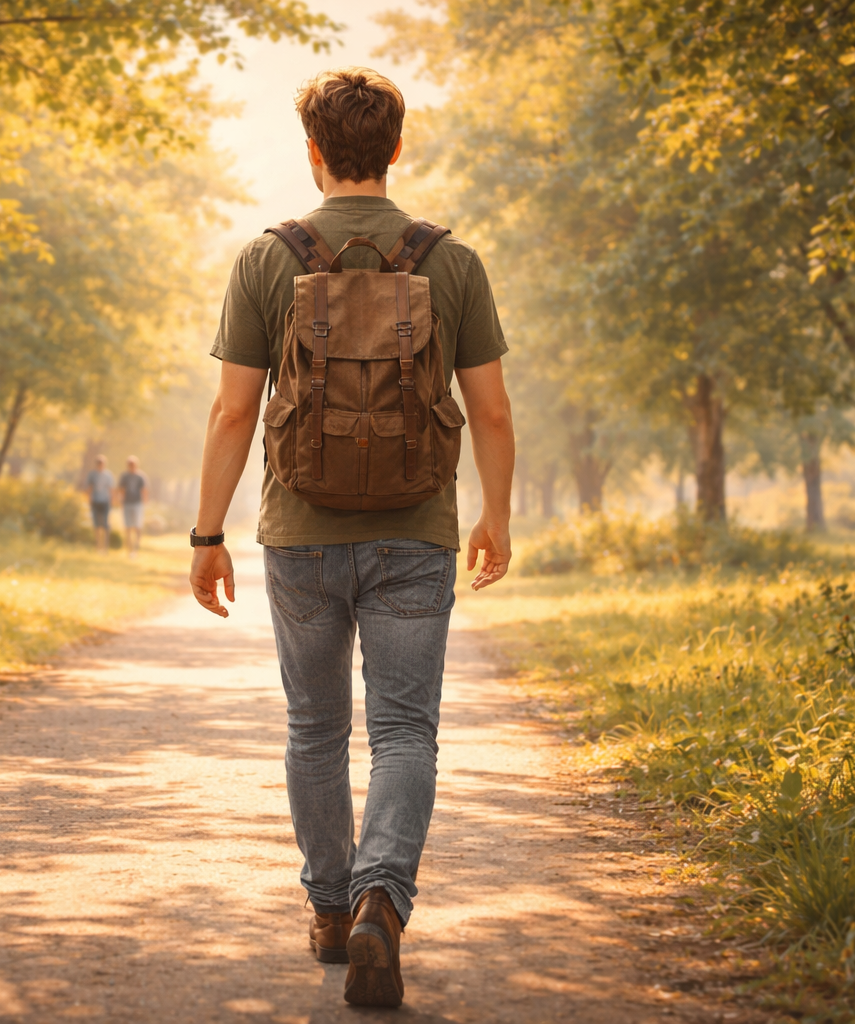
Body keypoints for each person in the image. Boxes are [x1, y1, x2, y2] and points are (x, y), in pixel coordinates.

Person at [187, 67, 514, 1009]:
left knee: (315, 726)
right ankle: (383, 900)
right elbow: (489, 411)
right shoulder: (450, 261)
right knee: (406, 728)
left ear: (315, 153)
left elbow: (232, 410)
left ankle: (330, 910)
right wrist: (494, 512)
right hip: (416, 530)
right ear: (397, 150)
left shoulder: (267, 258)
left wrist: (208, 532)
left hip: (301, 534)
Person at [117, 455, 148, 557]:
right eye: (130, 464)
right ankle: (129, 550)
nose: (131, 466)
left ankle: (136, 548)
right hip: (127, 504)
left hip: (137, 504)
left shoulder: (140, 476)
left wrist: (144, 503)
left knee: (137, 527)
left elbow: (144, 490)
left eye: (133, 464)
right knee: (128, 527)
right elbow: (121, 489)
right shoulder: (124, 476)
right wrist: (120, 500)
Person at [86, 455, 115, 553]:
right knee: (97, 525)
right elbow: (89, 489)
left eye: (102, 464)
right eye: (99, 463)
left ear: (105, 464)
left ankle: (105, 547)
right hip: (95, 501)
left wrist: (112, 501)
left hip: (105, 502)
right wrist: (89, 500)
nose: (100, 465)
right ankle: (98, 547)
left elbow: (111, 489)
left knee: (105, 525)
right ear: (96, 464)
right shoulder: (92, 475)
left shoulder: (108, 475)